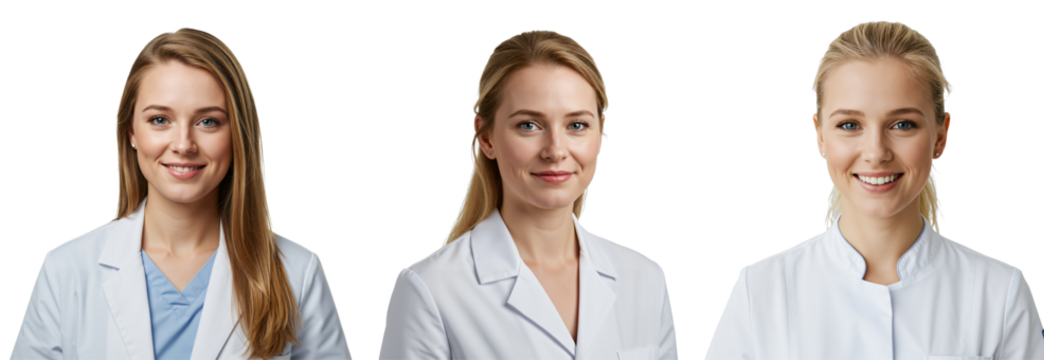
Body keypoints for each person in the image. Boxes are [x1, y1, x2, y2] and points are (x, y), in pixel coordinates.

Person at [705, 20, 1044, 359]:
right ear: (820, 135)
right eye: (849, 124)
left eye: (903, 124)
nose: (875, 152)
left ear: (941, 135)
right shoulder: (762, 290)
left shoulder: (998, 292)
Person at [11, 26, 352, 359]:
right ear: (131, 131)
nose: (184, 145)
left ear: (237, 134)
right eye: (160, 120)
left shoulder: (298, 271)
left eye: (208, 121)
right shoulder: (66, 269)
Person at [377, 28, 677, 359]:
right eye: (529, 125)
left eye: (576, 125)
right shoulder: (430, 288)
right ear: (486, 137)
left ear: (600, 130)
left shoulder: (645, 279)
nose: (555, 150)